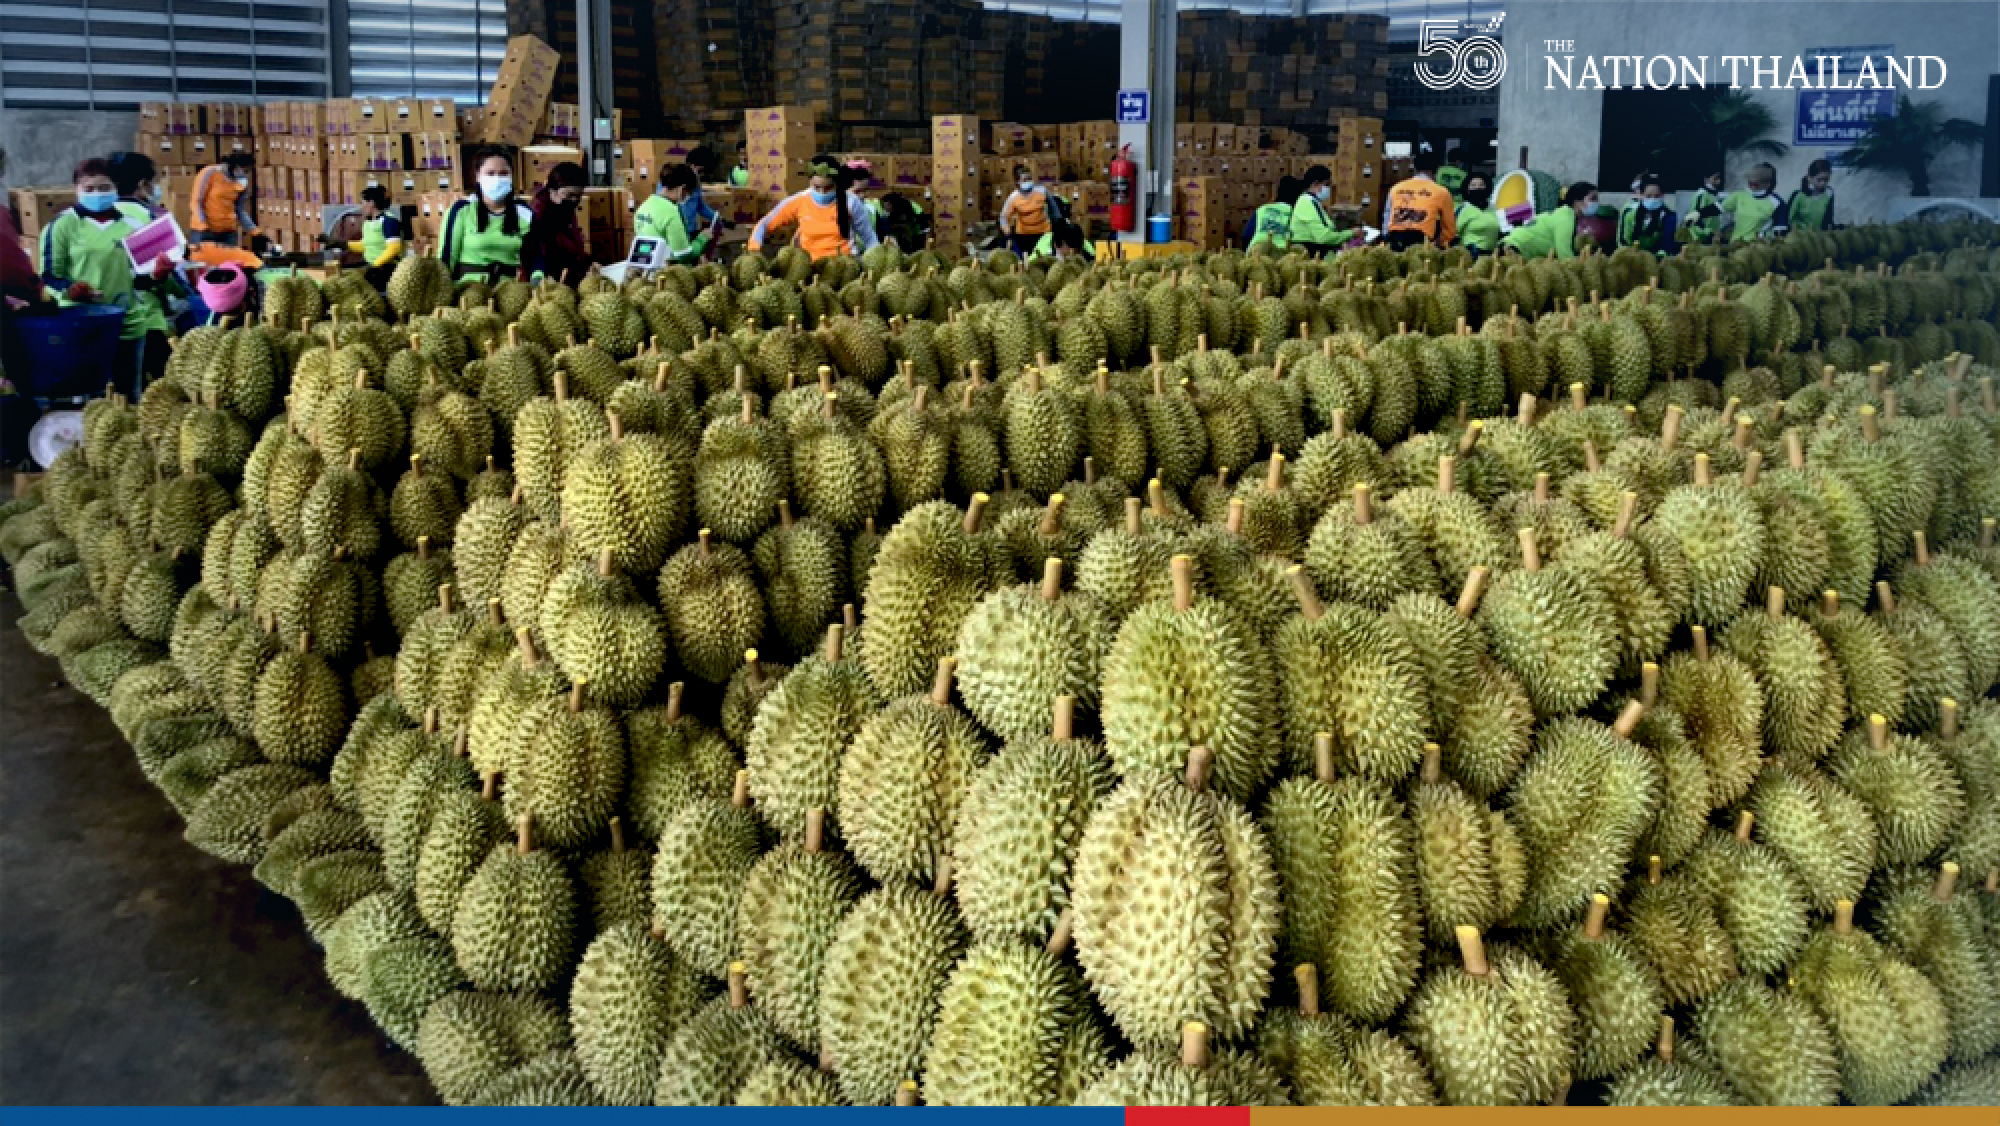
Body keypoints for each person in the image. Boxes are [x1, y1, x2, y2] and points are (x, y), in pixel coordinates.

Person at [38, 158, 178, 388]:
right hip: (82, 321)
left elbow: (140, 280)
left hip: (129, 319)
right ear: (77, 190)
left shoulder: (133, 225)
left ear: (116, 188)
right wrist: (70, 290)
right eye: (89, 189)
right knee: (88, 390)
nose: (97, 194)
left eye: (104, 188)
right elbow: (49, 275)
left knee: (129, 391)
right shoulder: (62, 226)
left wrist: (157, 275)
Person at [747, 156, 874, 261]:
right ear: (809, 182)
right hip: (809, 266)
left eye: (828, 187)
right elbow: (765, 223)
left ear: (837, 184)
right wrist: (754, 248)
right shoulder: (799, 200)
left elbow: (870, 238)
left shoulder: (851, 202)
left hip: (846, 265)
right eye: (817, 187)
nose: (822, 192)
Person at [437, 148, 536, 281]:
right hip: (468, 289)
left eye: (503, 173)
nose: (497, 179)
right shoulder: (461, 210)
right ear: (478, 177)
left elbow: (534, 255)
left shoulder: (524, 213)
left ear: (512, 177)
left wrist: (537, 277)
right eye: (490, 173)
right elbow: (447, 256)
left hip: (510, 290)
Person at [521, 160, 592, 286]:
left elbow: (573, 247)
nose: (574, 200)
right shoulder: (537, 216)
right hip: (547, 284)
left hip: (567, 281)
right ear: (552, 191)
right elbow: (540, 255)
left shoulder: (565, 211)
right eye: (569, 195)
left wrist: (588, 263)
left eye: (578, 196)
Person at [634, 164, 720, 265]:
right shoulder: (671, 213)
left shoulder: (644, 206)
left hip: (645, 266)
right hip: (667, 272)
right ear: (682, 189)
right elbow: (683, 255)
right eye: (689, 193)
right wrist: (702, 239)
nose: (687, 197)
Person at [320, 184, 404, 288]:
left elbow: (394, 248)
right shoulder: (368, 223)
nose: (361, 207)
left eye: (362, 203)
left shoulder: (389, 221)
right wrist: (340, 244)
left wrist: (376, 265)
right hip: (372, 267)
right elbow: (366, 245)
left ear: (372, 203)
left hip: (387, 270)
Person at [1383, 148, 1457, 250]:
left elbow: (1387, 218)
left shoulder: (1396, 188)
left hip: (1395, 239)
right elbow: (1449, 228)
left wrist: (1387, 240)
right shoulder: (1441, 192)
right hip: (1423, 243)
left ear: (1415, 168)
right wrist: (1440, 245)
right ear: (1436, 170)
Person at [1502, 181, 1596, 259]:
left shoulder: (1566, 215)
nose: (1596, 203)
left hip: (1512, 247)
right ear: (1577, 201)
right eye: (1593, 199)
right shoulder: (1566, 217)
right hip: (1514, 249)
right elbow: (1564, 253)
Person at [189, 152, 259, 250]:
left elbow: (240, 210)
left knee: (229, 264)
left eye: (247, 171)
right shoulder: (210, 173)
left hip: (228, 232)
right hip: (204, 231)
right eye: (244, 170)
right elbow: (196, 201)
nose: (244, 173)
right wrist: (203, 225)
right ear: (235, 166)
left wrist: (255, 232)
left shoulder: (242, 181)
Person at [1714, 162, 1789, 243]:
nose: (1751, 185)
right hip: (1735, 245)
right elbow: (1718, 207)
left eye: (1755, 184)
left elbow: (1781, 232)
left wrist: (1767, 240)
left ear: (1768, 184)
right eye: (1749, 182)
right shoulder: (1740, 195)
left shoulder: (1777, 203)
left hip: (1759, 249)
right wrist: (1699, 213)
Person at [1288, 165, 1347, 257]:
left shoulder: (1313, 202)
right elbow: (1324, 237)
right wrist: (1352, 233)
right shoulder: (1307, 203)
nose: (1329, 189)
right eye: (1327, 184)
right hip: (1309, 254)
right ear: (1315, 184)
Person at [998, 164, 1054, 256]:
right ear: (1018, 182)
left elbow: (1054, 208)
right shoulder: (1013, 197)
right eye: (1024, 180)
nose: (1028, 181)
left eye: (1029, 178)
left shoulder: (1041, 191)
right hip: (1023, 235)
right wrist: (1008, 235)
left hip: (1043, 233)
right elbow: (1003, 217)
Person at [1618, 175, 1679, 256]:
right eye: (1649, 196)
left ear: (1663, 195)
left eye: (1657, 196)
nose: (1653, 199)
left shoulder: (1669, 216)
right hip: (1630, 255)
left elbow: (1667, 244)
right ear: (1641, 195)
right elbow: (1622, 240)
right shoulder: (1628, 212)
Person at [106, 151, 167, 219]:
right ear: (142, 184)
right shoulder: (158, 216)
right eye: (154, 181)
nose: (156, 186)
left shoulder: (100, 214)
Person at [1246, 176, 1298, 251]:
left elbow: (1246, 235)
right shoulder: (1294, 212)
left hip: (1256, 252)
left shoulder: (1262, 209)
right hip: (1281, 254)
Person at [1454, 174, 1500, 256]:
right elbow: (1453, 234)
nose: (1477, 188)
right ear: (1467, 189)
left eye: (1481, 185)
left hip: (1492, 255)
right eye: (1473, 185)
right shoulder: (1462, 209)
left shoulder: (1493, 208)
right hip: (1471, 254)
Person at [1786, 158, 1836, 233]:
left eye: (1826, 180)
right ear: (1810, 178)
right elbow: (1789, 218)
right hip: (1799, 236)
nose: (1823, 183)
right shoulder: (1799, 196)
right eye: (1819, 180)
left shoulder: (1828, 197)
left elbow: (1828, 220)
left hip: (1818, 236)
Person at [1682, 168, 1726, 243]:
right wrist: (1708, 233)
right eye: (1715, 178)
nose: (1718, 181)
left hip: (1711, 235)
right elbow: (1695, 217)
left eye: (1719, 178)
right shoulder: (1701, 195)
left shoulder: (1713, 195)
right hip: (1701, 237)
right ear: (1706, 179)